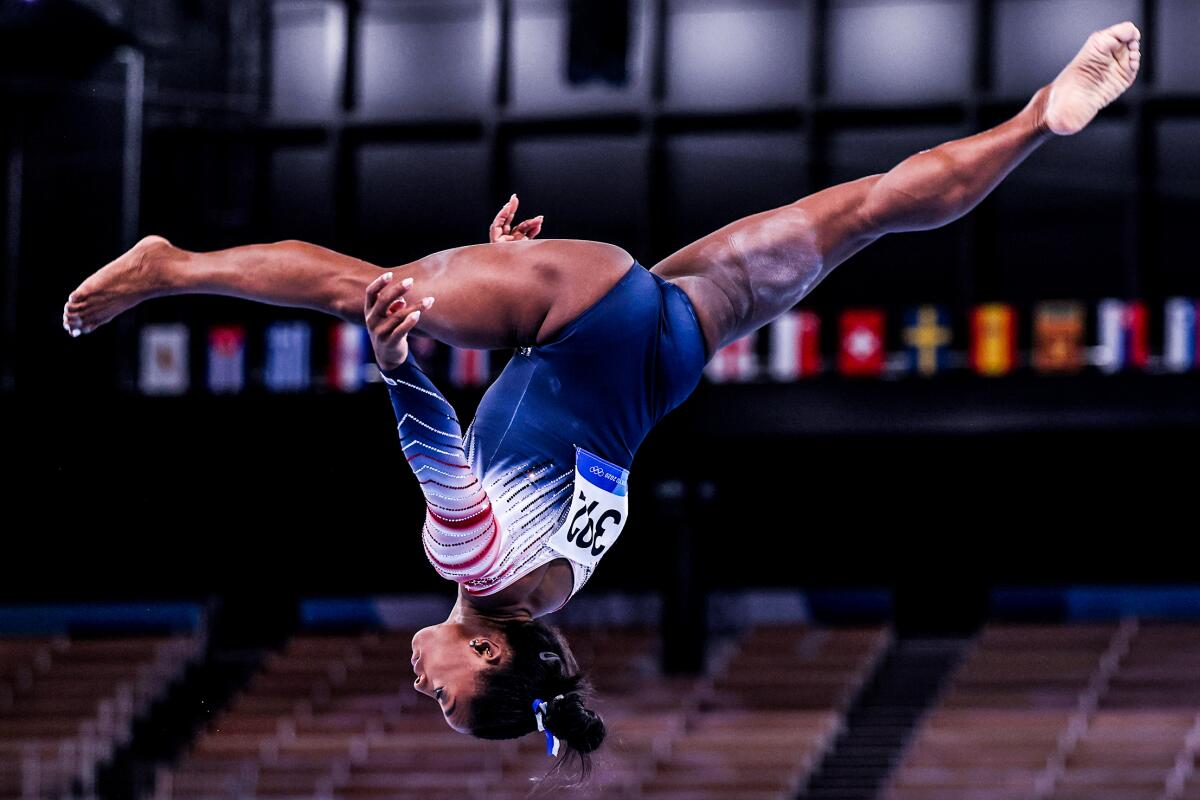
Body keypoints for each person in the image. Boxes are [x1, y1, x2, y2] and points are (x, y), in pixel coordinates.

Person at [63, 22, 1141, 780]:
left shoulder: (558, 586)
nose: (425, 683)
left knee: (862, 212)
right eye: (445, 696)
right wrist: (401, 358)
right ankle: (169, 265)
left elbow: (540, 432)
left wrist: (498, 279)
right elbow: (441, 454)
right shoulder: (479, 572)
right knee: (369, 289)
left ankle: (1042, 116)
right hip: (593, 326)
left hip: (664, 355)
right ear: (485, 655)